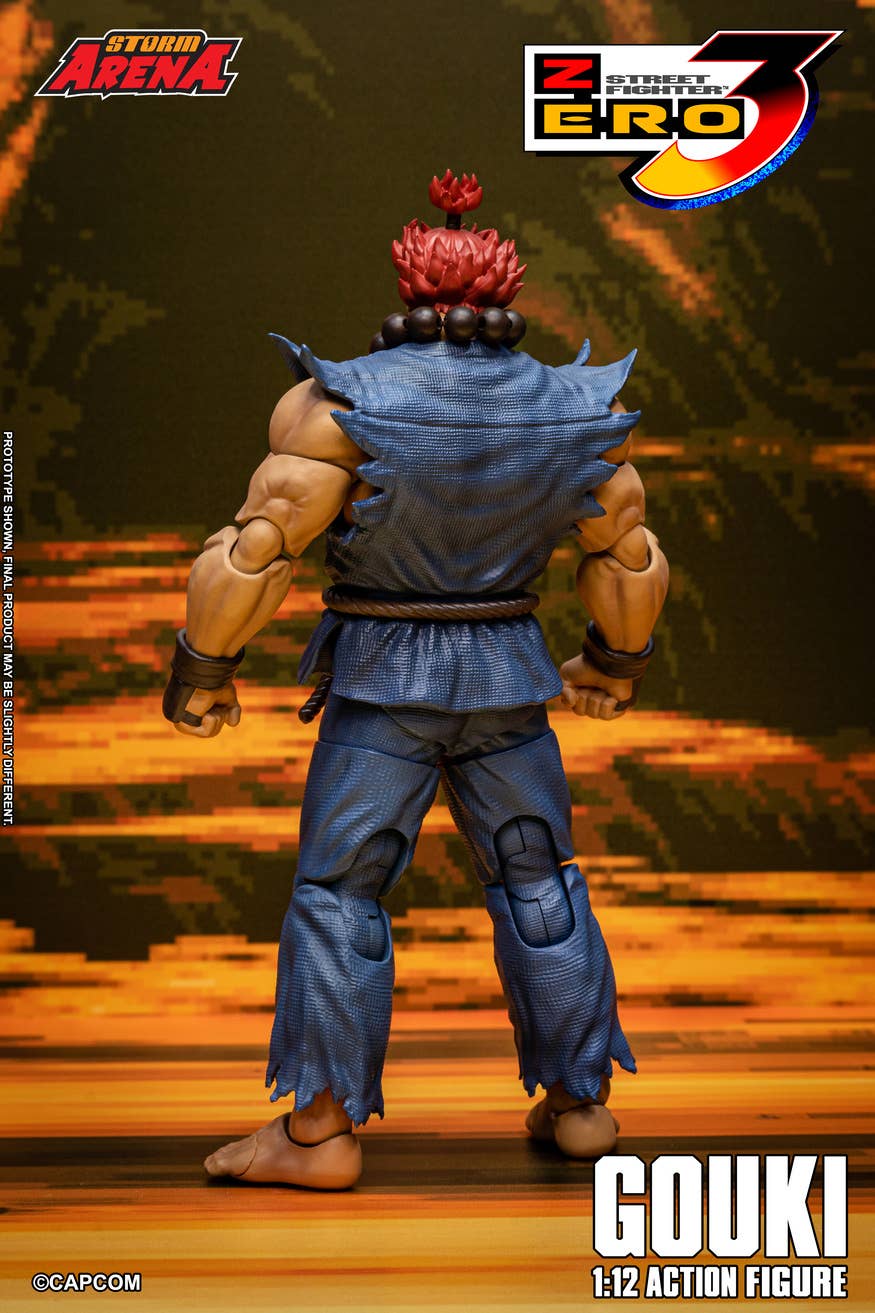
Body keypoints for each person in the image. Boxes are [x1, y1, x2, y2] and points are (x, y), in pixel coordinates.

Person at [163, 171, 669, 1189]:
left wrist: (203, 667)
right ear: (503, 288)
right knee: (537, 876)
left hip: (383, 688)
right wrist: (612, 662)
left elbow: (258, 551)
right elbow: (625, 551)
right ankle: (579, 1105)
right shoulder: (578, 408)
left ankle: (319, 1134)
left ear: (410, 283)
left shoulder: (337, 403)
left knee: (341, 890)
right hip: (507, 680)